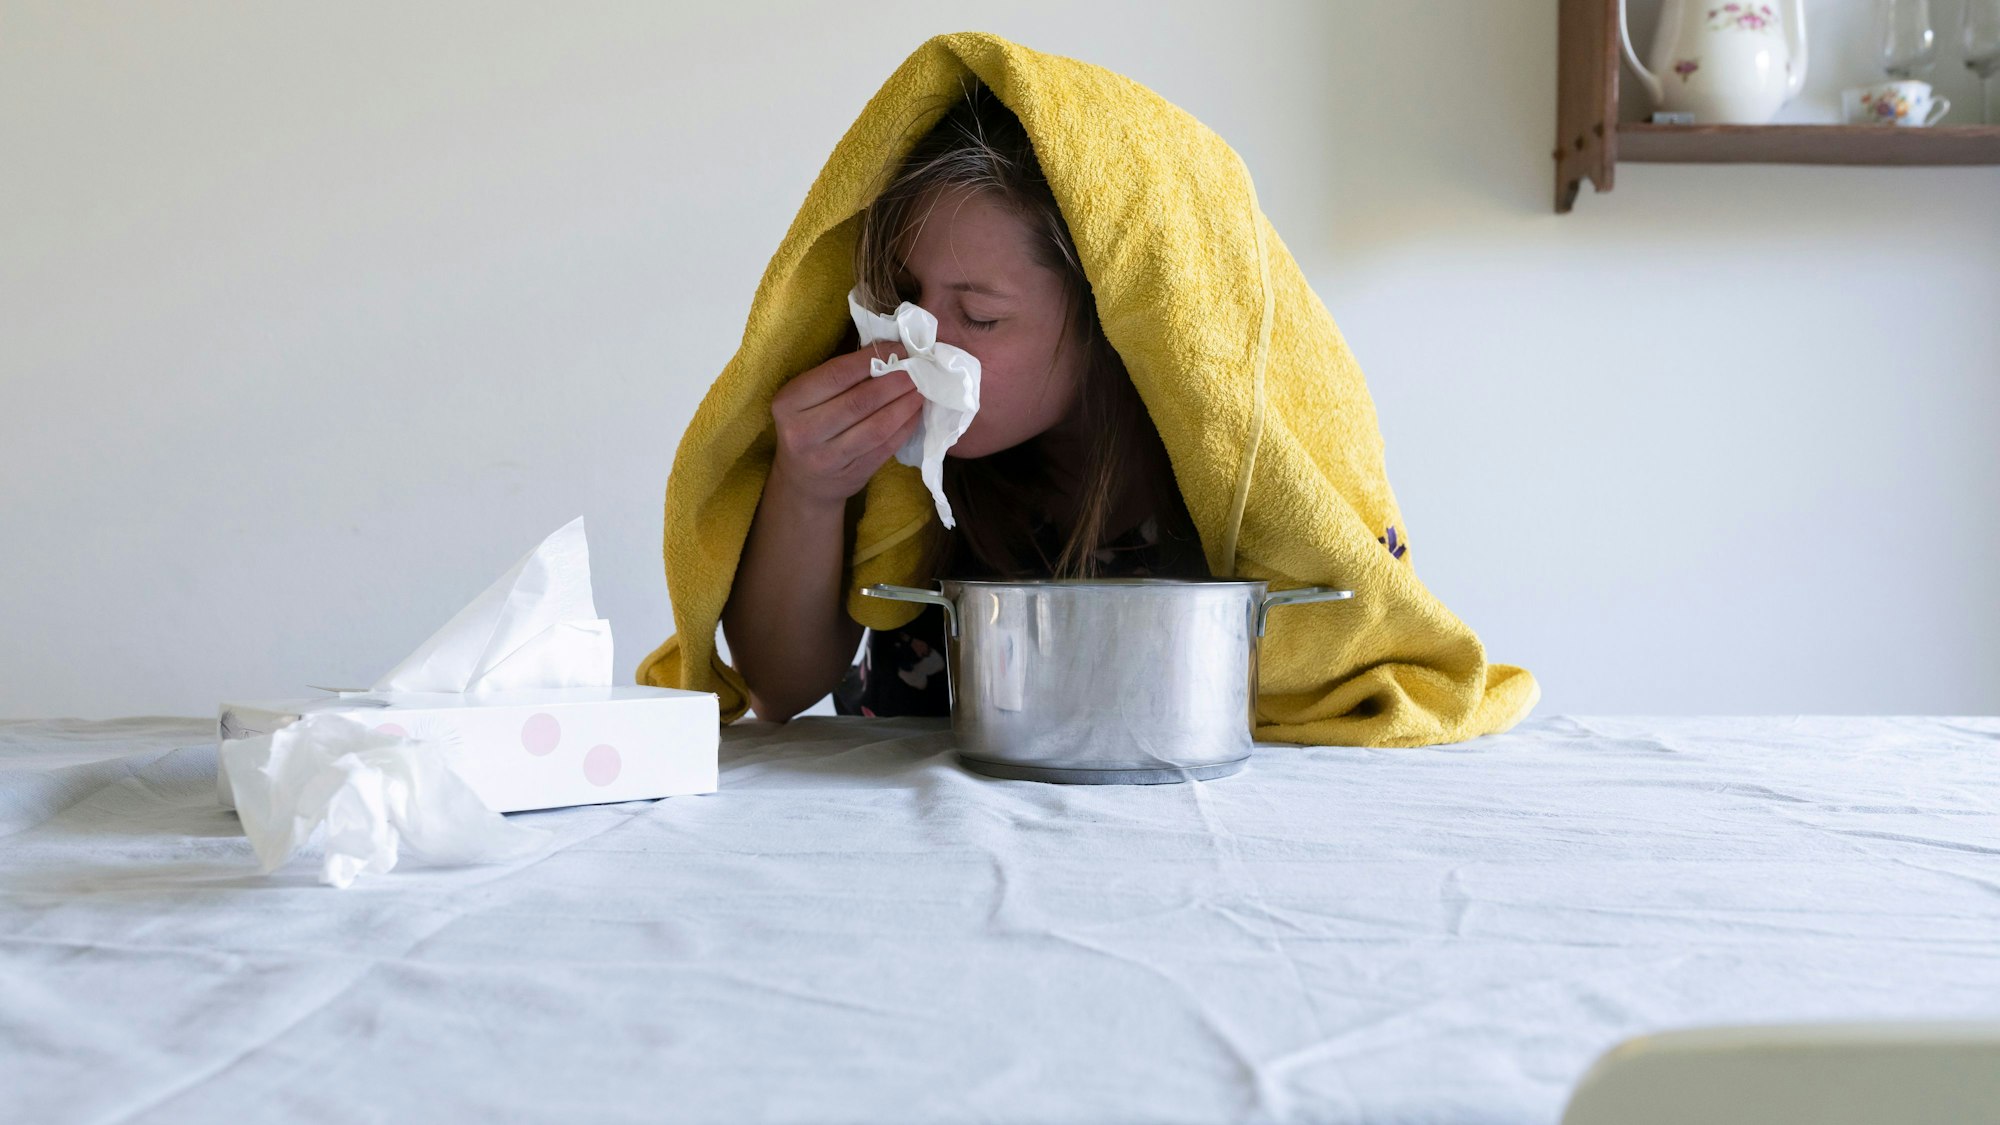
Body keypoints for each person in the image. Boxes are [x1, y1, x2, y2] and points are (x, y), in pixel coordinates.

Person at [720, 83, 1206, 721]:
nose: (919, 342)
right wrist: (808, 488)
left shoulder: (1212, 499)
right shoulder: (900, 465)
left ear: (1113, 322)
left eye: (978, 316)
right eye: (903, 294)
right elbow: (779, 691)